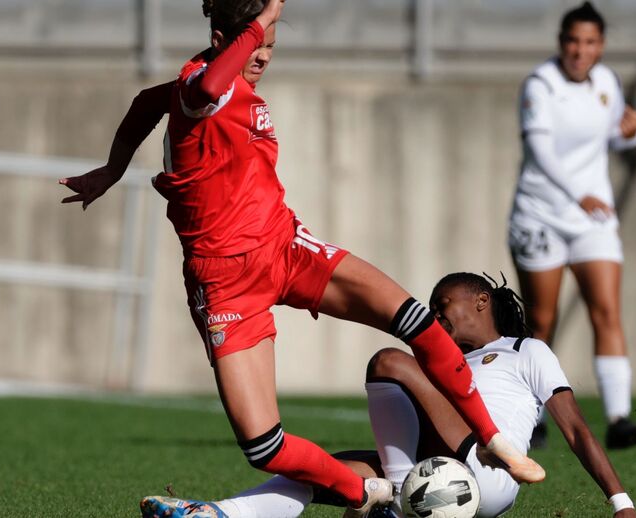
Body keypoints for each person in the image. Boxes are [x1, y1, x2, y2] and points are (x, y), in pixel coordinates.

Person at [59, 1, 543, 516]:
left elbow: (143, 103)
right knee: (262, 446)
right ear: (224, 39)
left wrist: (112, 168)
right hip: (224, 283)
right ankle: (363, 493)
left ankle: (492, 440)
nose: (263, 56)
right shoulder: (202, 85)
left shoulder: (222, 84)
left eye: (271, 45)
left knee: (416, 321)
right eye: (255, 43)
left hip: (285, 247)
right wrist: (264, 15)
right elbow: (191, 92)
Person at [139, 272, 636, 518]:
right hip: (434, 466)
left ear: (482, 301)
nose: (436, 317)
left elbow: (574, 428)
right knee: (317, 471)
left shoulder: (525, 351)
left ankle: (396, 502)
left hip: (489, 475)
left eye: (444, 306)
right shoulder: (441, 362)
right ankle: (218, 515)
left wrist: (621, 503)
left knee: (389, 360)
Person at [507, 1, 636, 449]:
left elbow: (611, 136)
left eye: (590, 42)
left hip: (592, 219)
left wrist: (632, 132)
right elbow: (542, 151)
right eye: (573, 40)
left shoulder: (607, 83)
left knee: (606, 309)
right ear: (561, 43)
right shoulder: (541, 85)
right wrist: (578, 194)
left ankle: (619, 418)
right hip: (542, 214)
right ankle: (529, 417)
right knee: (542, 322)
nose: (580, 50)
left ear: (601, 46)